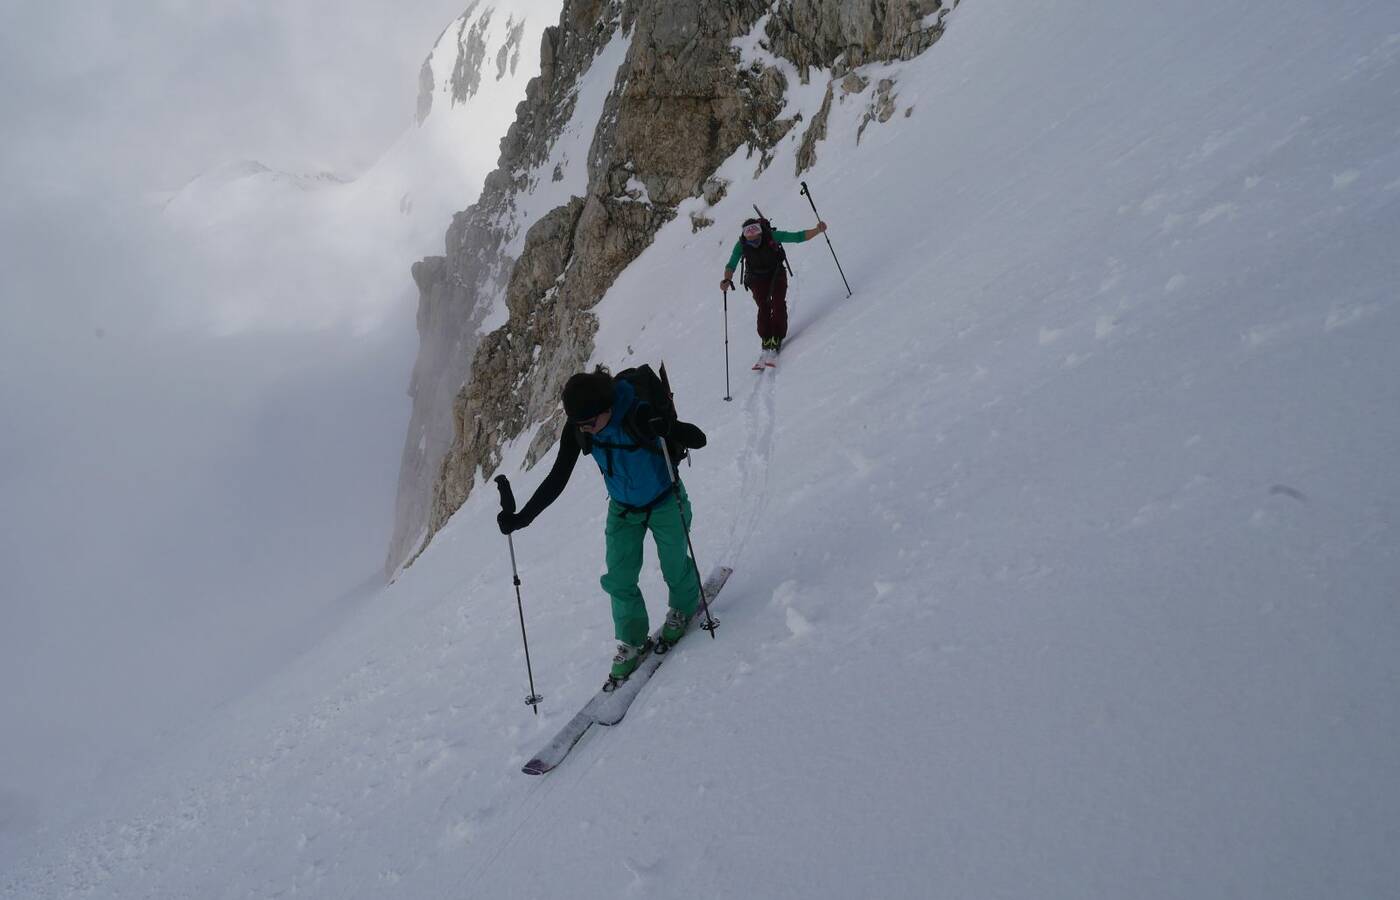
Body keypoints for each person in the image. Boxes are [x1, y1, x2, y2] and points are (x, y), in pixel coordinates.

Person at [496, 366, 708, 681]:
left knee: (674, 564)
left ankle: (684, 607)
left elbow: (698, 439)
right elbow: (557, 478)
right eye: (579, 424)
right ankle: (632, 642)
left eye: (591, 423)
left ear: (607, 408)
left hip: (665, 500)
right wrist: (521, 519)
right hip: (623, 510)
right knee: (619, 579)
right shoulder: (581, 427)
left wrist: (667, 427)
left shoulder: (639, 413)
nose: (587, 430)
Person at [720, 217, 827, 362]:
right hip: (756, 278)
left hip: (776, 273)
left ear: (760, 231)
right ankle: (766, 338)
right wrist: (727, 279)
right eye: (748, 234)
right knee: (763, 306)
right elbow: (731, 264)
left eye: (755, 232)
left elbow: (797, 237)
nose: (752, 237)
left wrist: (817, 230)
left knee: (778, 303)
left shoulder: (771, 236)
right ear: (744, 235)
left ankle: (777, 336)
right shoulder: (741, 245)